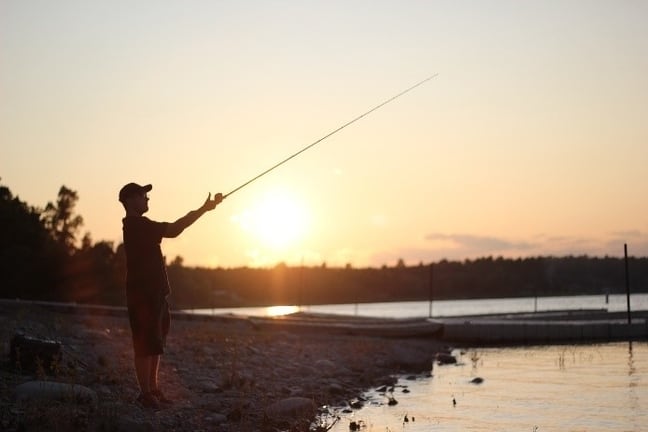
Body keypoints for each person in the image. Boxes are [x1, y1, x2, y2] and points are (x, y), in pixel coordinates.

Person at [118, 182, 223, 409]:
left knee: (155, 342)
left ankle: (153, 390)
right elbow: (174, 229)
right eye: (143, 195)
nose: (147, 199)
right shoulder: (137, 225)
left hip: (155, 293)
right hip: (142, 294)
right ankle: (145, 394)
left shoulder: (139, 225)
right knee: (144, 343)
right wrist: (204, 209)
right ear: (130, 200)